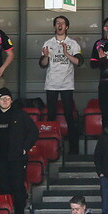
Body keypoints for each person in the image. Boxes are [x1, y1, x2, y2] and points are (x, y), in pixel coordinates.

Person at [0, 88, 36, 214]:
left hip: (17, 159)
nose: (5, 101)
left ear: (11, 100)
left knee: (17, 187)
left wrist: (24, 148)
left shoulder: (20, 114)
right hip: (0, 160)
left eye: (7, 98)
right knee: (4, 187)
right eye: (2, 98)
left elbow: (33, 131)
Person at [39, 15, 82, 153]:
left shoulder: (73, 44)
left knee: (69, 115)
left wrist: (66, 53)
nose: (60, 25)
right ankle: (51, 148)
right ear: (54, 26)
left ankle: (73, 149)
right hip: (51, 84)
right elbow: (42, 64)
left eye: (62, 23)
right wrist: (46, 56)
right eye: (57, 23)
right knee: (51, 116)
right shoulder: (48, 43)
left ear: (67, 27)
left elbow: (79, 62)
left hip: (67, 85)